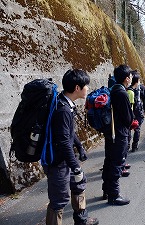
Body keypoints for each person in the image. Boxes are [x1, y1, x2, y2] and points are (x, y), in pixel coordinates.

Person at [43, 69, 99, 225]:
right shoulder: (62, 110)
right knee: (58, 200)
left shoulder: (65, 103)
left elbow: (69, 132)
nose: (87, 88)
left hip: (65, 159)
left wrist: (79, 147)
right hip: (57, 162)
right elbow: (63, 142)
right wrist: (76, 167)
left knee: (78, 185)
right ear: (77, 88)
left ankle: (81, 220)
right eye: (85, 85)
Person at [101, 64, 135, 205]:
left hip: (111, 132)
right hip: (119, 134)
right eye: (130, 76)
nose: (131, 78)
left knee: (109, 161)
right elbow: (128, 118)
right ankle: (114, 195)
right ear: (127, 79)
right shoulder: (122, 93)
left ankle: (106, 190)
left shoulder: (112, 89)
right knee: (117, 163)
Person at [127, 70, 145, 152]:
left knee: (128, 128)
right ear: (137, 81)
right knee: (137, 128)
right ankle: (134, 146)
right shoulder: (142, 88)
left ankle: (127, 145)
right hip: (138, 111)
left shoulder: (127, 89)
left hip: (129, 111)